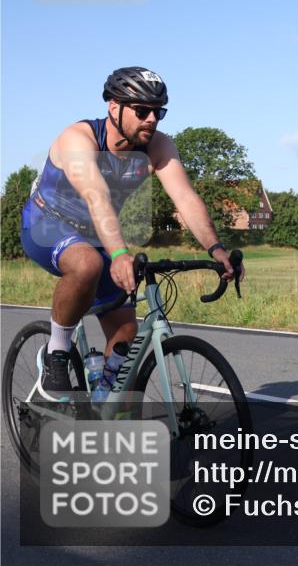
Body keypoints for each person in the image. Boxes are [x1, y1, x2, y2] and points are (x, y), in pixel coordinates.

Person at [20, 67, 244, 400]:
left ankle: (101, 402)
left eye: (159, 112)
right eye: (142, 111)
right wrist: (120, 254)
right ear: (115, 107)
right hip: (47, 223)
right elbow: (96, 195)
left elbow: (184, 197)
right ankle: (56, 352)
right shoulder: (78, 139)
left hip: (97, 232)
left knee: (127, 331)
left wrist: (217, 248)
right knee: (86, 265)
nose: (152, 119)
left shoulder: (158, 146)